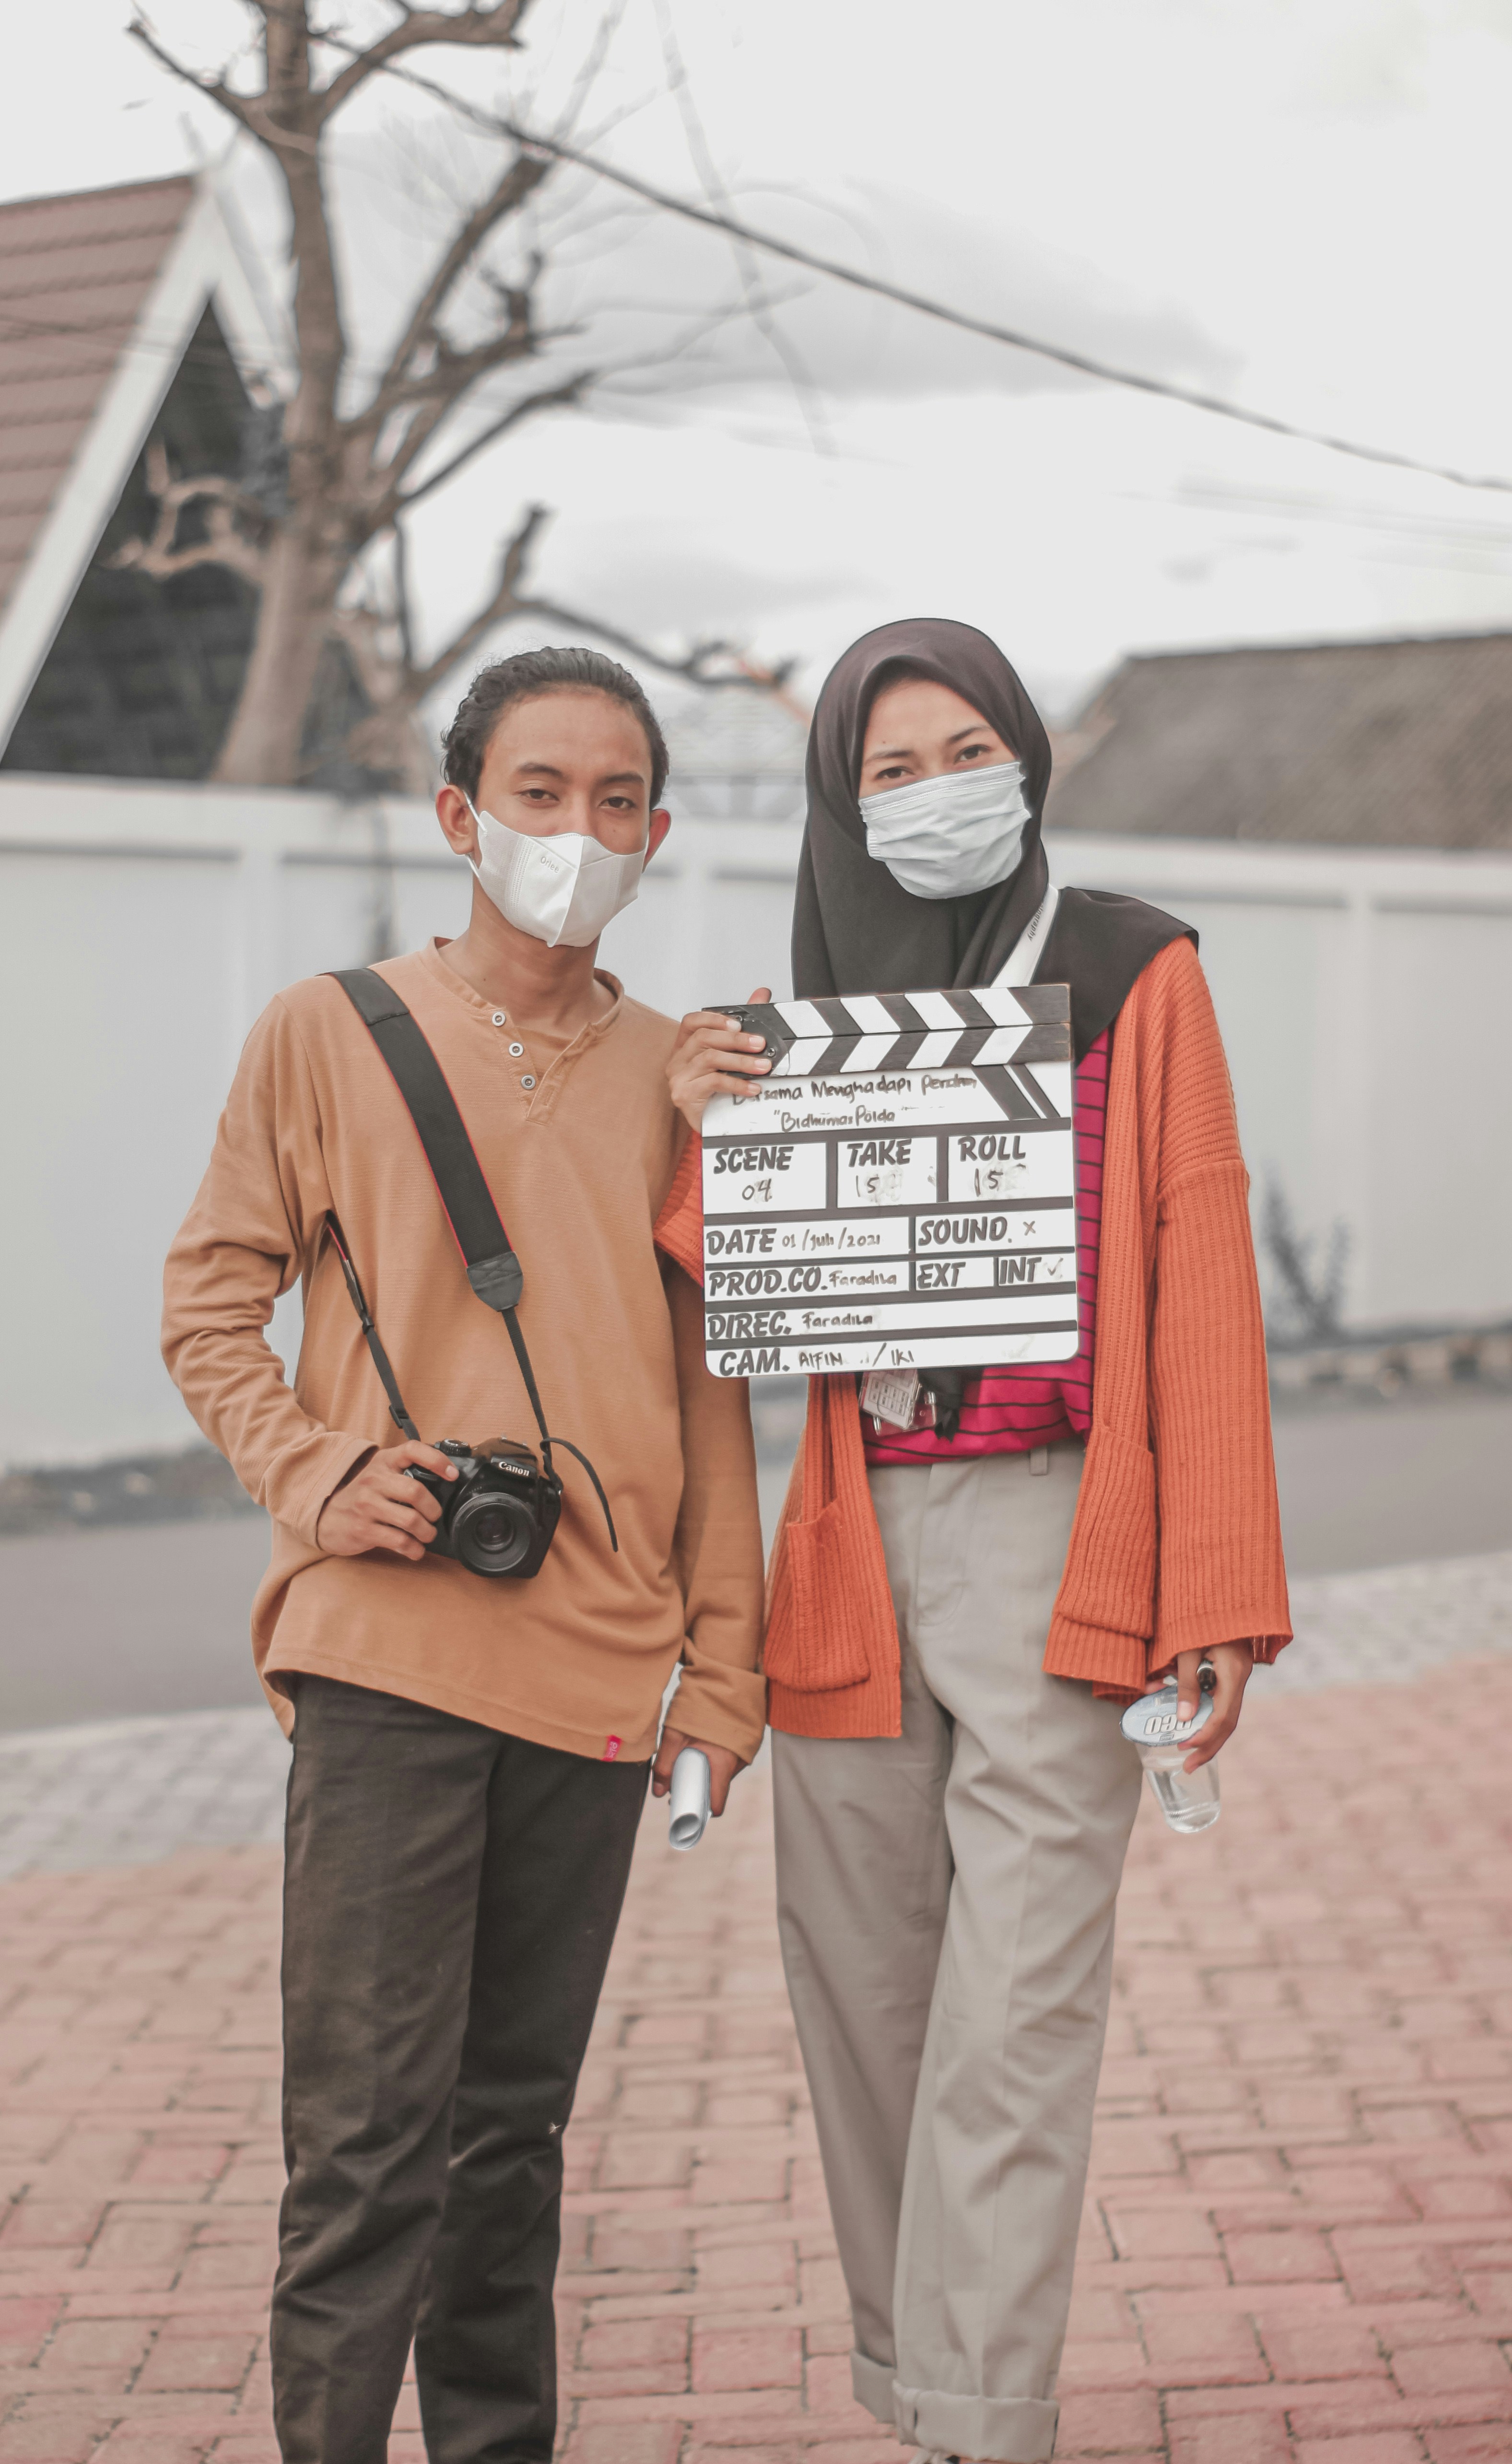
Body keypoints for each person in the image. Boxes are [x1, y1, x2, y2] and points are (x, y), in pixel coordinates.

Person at [656, 618, 1291, 2464]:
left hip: (1055, 1529)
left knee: (1014, 2007)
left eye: (965, 752)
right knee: (860, 1992)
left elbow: (1199, 1262)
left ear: (1027, 754)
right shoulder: (804, 1004)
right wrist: (700, 1144)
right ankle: (920, 2380)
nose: (934, 795)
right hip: (851, 1538)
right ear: (840, 804)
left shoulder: (1128, 967)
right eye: (889, 768)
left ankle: (977, 2422)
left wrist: (1217, 1595)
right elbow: (733, 1301)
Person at [162, 646, 765, 2464]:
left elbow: (714, 1388)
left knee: (511, 2144)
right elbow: (210, 1304)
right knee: (362, 2144)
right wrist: (315, 1471)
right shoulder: (325, 1031)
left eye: (612, 803)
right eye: (535, 794)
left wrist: (720, 1671)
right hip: (389, 1654)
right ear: (460, 814)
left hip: (596, 1671)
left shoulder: (685, 1072)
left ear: (655, 834)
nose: (572, 832)